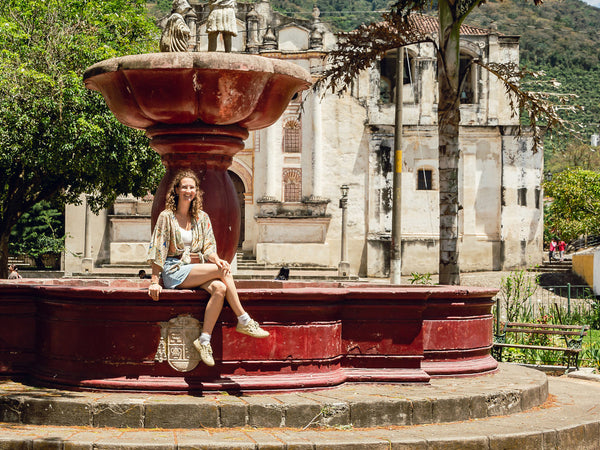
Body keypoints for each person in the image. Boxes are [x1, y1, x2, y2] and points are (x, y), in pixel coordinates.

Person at [147, 170, 269, 367]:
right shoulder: (166, 216)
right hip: (174, 270)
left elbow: (209, 248)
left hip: (195, 269)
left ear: (196, 191)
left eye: (192, 187)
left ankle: (204, 341)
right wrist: (154, 281)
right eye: (184, 187)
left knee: (220, 288)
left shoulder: (202, 218)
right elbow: (158, 248)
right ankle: (244, 319)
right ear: (176, 190)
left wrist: (217, 259)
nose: (188, 190)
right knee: (222, 272)